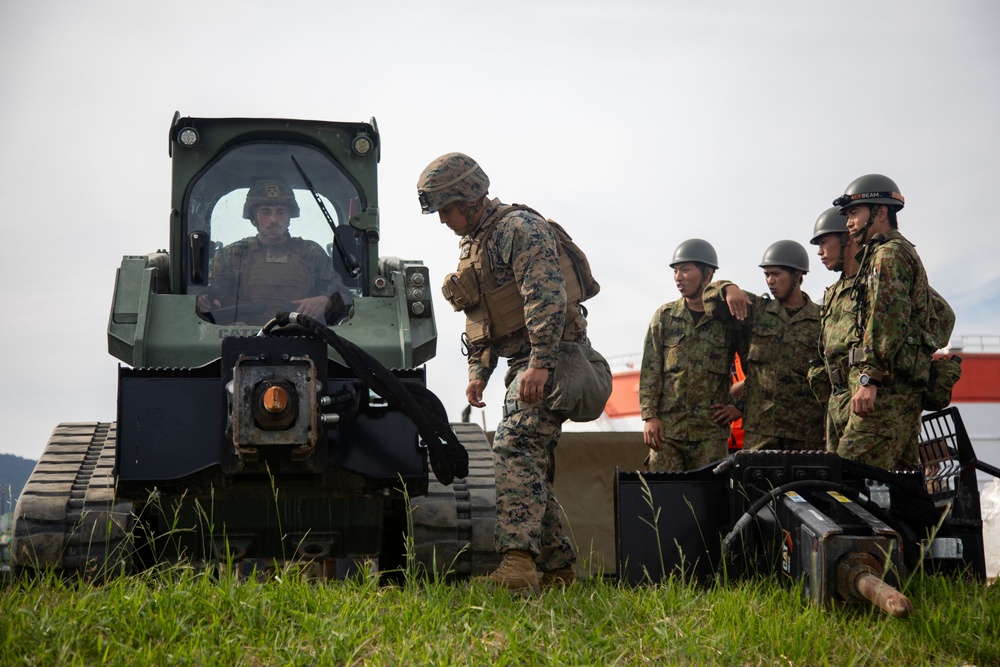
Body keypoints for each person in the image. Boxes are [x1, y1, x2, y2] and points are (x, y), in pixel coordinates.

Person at [417, 152, 591, 594]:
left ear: (469, 196)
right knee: (528, 464)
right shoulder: (473, 245)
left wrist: (540, 363)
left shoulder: (518, 229)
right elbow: (480, 317)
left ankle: (518, 567)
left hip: (556, 357)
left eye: (446, 209)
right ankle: (561, 573)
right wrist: (479, 372)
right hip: (522, 364)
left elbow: (546, 299)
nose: (443, 220)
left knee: (513, 449)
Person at [832, 174, 931, 469]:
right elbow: (939, 315)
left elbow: (886, 319)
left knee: (847, 476)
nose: (849, 223)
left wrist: (869, 378)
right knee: (900, 487)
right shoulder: (890, 254)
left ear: (881, 212)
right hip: (900, 391)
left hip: (886, 393)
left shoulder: (888, 255)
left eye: (854, 213)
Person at [706, 241, 824, 451]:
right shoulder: (757, 311)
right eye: (767, 275)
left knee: (808, 484)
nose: (770, 281)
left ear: (797, 275)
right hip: (761, 430)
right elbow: (708, 298)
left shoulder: (822, 319)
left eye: (776, 274)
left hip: (806, 432)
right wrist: (728, 288)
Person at [639, 239, 740, 471]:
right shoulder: (664, 317)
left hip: (710, 435)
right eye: (675, 270)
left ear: (708, 273)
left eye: (685, 269)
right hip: (667, 433)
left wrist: (739, 407)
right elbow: (650, 370)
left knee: (709, 501)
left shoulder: (727, 320)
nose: (678, 277)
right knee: (664, 499)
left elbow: (755, 365)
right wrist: (649, 417)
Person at [198, 178, 350, 325]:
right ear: (254, 218)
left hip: (302, 337)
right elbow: (209, 294)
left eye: (280, 212)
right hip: (243, 339)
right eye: (265, 212)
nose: (273, 219)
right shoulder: (232, 255)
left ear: (289, 216)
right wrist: (208, 302)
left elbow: (345, 296)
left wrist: (326, 301)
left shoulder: (311, 253)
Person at [808, 206, 862, 452]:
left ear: (846, 238)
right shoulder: (833, 293)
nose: (819, 252)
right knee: (837, 483)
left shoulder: (876, 282)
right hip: (837, 404)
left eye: (824, 242)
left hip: (866, 403)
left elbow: (941, 315)